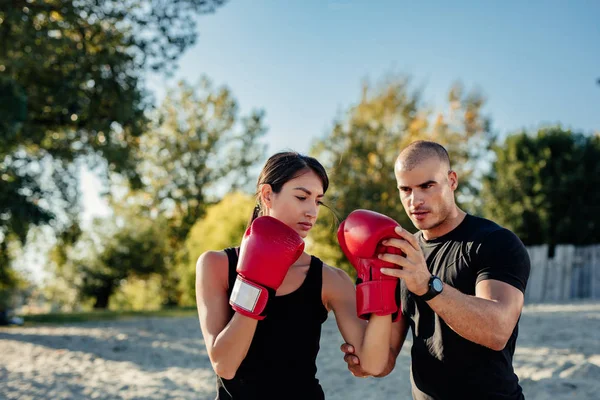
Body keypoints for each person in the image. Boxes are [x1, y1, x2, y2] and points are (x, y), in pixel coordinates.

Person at [195, 151, 397, 400]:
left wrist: (380, 279)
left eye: (318, 201)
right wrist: (257, 280)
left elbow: (373, 365)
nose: (312, 211)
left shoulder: (330, 279)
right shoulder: (216, 265)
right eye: (302, 197)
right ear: (268, 195)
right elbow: (225, 365)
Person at [340, 140, 531, 400]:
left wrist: (429, 286)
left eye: (427, 186)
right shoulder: (402, 252)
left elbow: (497, 331)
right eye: (405, 189)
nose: (414, 200)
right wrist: (365, 362)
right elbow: (386, 360)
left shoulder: (494, 242)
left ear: (451, 180)